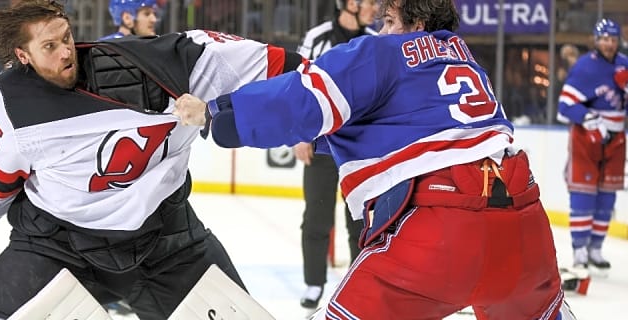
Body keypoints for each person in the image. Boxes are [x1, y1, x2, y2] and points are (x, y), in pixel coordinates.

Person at [173, 0, 574, 318]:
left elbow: (300, 101)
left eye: (388, 20)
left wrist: (216, 113)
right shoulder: (468, 62)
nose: (381, 30)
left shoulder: (382, 52)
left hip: (441, 232)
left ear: (415, 23)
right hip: (527, 234)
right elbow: (400, 127)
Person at [0, 1, 304, 319]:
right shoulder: (11, 102)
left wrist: (324, 94)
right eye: (49, 47)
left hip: (168, 243)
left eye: (67, 38)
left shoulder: (168, 66)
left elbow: (282, 70)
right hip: (56, 245)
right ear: (23, 56)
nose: (65, 52)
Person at [293, 0, 378, 310]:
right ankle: (314, 283)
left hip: (358, 148)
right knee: (316, 217)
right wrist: (301, 133)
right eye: (371, 2)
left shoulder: (374, 41)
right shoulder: (318, 37)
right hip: (322, 145)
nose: (376, 7)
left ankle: (356, 282)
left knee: (359, 220)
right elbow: (298, 85)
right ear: (351, 3)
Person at [557, 18, 628, 274]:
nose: (609, 44)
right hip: (586, 138)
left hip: (616, 140)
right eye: (604, 39)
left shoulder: (627, 65)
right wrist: (589, 118)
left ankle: (596, 249)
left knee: (606, 197)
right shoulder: (584, 67)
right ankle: (579, 251)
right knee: (583, 194)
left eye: (613, 39)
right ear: (596, 40)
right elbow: (564, 106)